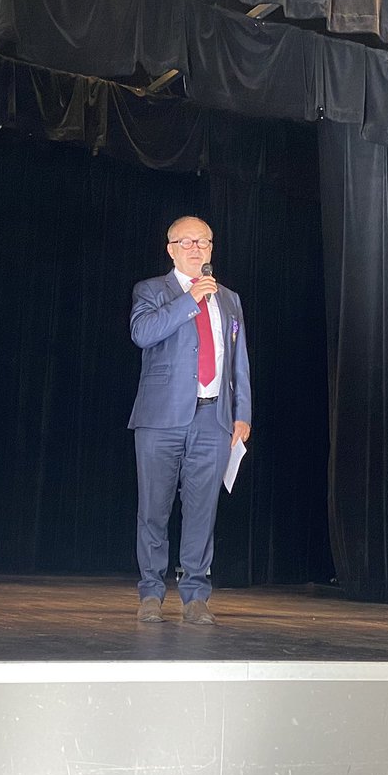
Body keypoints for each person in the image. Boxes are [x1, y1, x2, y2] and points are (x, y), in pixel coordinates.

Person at [128, 216, 252, 625]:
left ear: (212, 249)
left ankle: (196, 594)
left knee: (202, 509)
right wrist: (191, 299)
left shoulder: (230, 299)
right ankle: (150, 591)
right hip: (161, 417)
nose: (196, 248)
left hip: (213, 417)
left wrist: (242, 413)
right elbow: (143, 333)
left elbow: (239, 362)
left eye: (204, 242)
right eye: (187, 242)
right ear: (171, 249)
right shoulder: (151, 290)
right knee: (154, 508)